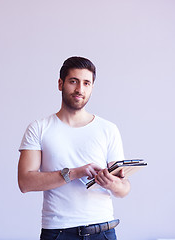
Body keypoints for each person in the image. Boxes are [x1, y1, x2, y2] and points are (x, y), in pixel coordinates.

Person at [18, 56, 131, 240]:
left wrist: (112, 183)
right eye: (73, 81)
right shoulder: (39, 128)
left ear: (92, 87)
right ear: (60, 84)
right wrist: (74, 173)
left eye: (87, 83)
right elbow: (25, 182)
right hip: (58, 232)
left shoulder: (108, 129)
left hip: (103, 231)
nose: (80, 89)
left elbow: (124, 188)